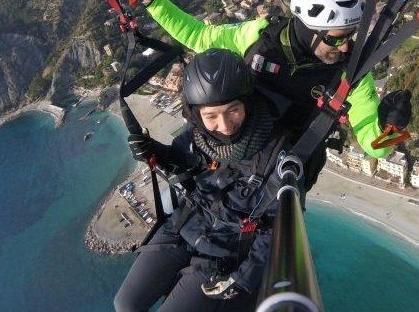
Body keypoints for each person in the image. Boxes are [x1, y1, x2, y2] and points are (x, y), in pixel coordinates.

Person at [122, 0, 412, 189]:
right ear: (307, 29)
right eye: (336, 37)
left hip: (281, 170)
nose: (346, 45)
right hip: (235, 139)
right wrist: (152, 2)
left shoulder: (352, 73)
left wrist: (391, 129)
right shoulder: (260, 36)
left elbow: (375, 148)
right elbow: (199, 36)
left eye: (350, 36)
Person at [114, 49, 289, 312]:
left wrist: (244, 277)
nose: (226, 125)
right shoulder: (197, 135)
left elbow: (281, 225)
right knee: (125, 304)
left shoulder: (275, 153)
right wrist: (153, 151)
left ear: (247, 104)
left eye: (233, 110)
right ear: (197, 115)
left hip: (222, 253)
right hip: (183, 227)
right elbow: (180, 161)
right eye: (211, 116)